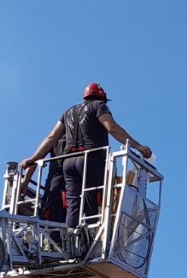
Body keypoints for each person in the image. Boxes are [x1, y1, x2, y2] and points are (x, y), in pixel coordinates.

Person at [19, 83, 152, 231]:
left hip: (68, 163)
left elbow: (51, 137)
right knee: (91, 199)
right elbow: (112, 128)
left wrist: (32, 159)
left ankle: (70, 235)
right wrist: (138, 146)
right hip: (91, 160)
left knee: (73, 205)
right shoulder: (99, 106)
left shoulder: (68, 112)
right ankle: (89, 236)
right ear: (102, 98)